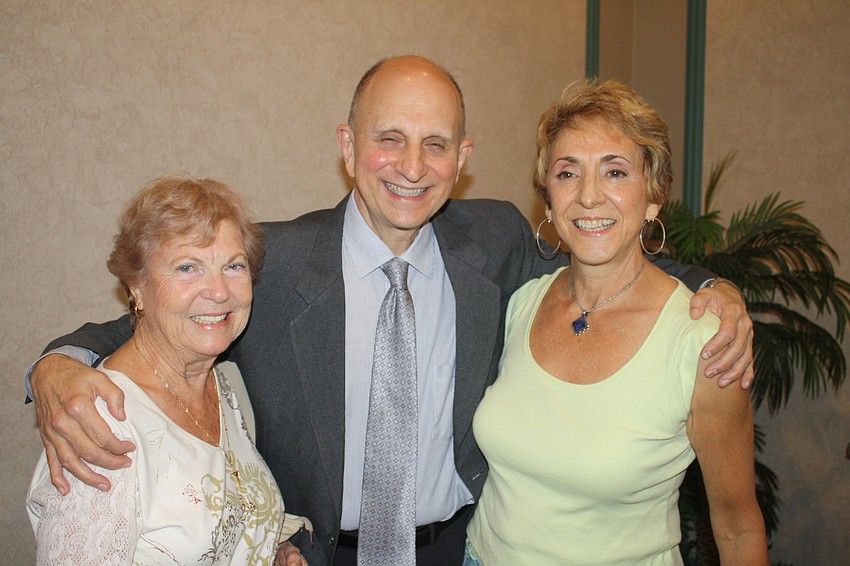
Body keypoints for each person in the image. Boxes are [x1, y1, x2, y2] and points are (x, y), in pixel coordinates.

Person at [27, 56, 754, 566]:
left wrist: (713, 289)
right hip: (309, 556)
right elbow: (163, 315)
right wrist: (60, 363)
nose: (413, 166)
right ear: (348, 147)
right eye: (389, 139)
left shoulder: (494, 240)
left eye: (435, 144)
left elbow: (601, 251)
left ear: (461, 157)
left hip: (457, 549)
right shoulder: (274, 261)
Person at [464, 80, 768, 565]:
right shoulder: (521, 303)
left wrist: (719, 287)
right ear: (548, 199)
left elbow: (736, 529)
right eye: (567, 173)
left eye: (615, 172)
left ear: (653, 196)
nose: (588, 196)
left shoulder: (703, 343)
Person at [26, 177, 310, 565]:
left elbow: (220, 515)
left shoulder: (218, 384)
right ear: (136, 287)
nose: (218, 291)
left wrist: (274, 549)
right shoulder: (102, 425)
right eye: (188, 267)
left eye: (233, 265)